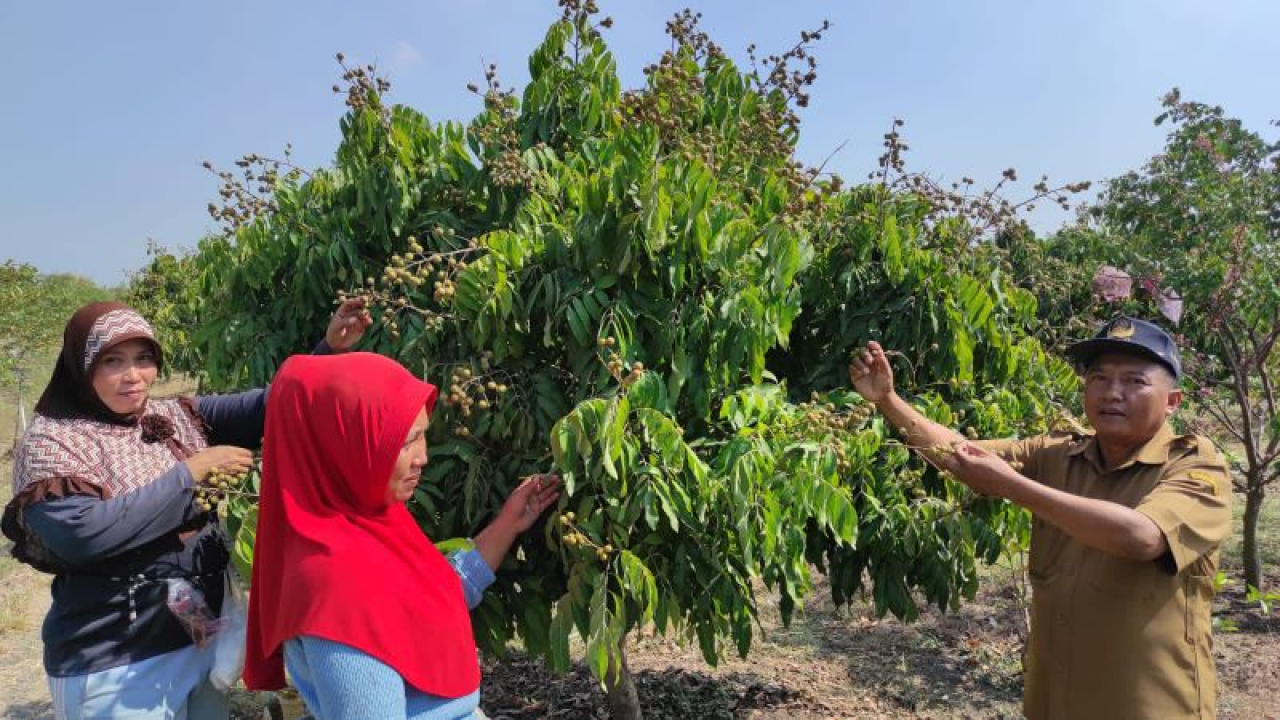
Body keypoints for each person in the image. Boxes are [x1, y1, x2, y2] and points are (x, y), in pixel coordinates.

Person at [2, 299, 371, 719]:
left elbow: (271, 406)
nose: (133, 376)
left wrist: (328, 349)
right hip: (116, 660)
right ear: (80, 367)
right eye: (112, 361)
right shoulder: (53, 442)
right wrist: (190, 475)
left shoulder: (172, 414)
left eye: (144, 359)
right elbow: (83, 535)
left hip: (196, 635)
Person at [849, 316, 1231, 719]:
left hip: (1147, 705)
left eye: (1135, 382)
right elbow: (961, 456)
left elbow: (1141, 537)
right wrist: (888, 401)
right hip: (1056, 700)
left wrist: (1014, 486)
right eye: (1099, 379)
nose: (1112, 393)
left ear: (1173, 401)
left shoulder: (1196, 467)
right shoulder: (1060, 453)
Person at [243, 351, 561, 720]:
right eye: (406, 441)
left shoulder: (372, 525)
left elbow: (431, 595)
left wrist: (507, 525)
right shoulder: (335, 588)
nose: (422, 456)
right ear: (346, 445)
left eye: (422, 436)